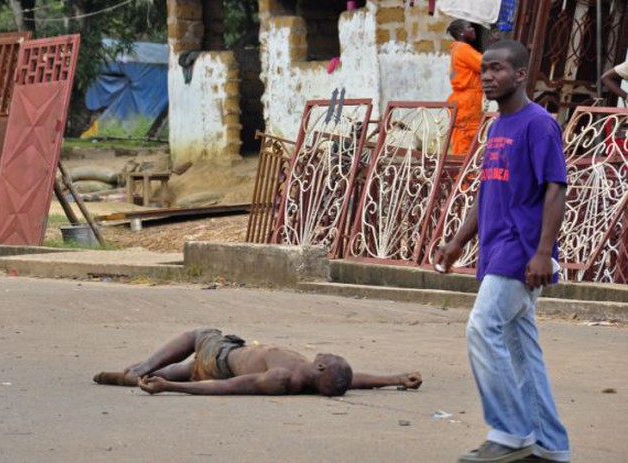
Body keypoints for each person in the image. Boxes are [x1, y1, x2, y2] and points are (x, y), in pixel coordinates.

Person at [433, 40, 571, 463]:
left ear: (520, 75)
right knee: (521, 350)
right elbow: (488, 188)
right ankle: (550, 445)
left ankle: (511, 432)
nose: (488, 77)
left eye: (497, 70)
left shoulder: (538, 124)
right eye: (485, 70)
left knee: (482, 327)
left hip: (522, 253)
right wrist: (458, 241)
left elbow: (556, 188)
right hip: (497, 250)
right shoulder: (497, 127)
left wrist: (544, 252)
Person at [93, 328, 422, 396]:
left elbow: (228, 386)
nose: (329, 353)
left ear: (322, 368)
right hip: (215, 363)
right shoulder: (312, 376)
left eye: (333, 358)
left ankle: (141, 369)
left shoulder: (281, 378)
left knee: (199, 333)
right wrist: (395, 378)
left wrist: (171, 388)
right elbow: (353, 380)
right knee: (174, 371)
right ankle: (125, 377)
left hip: (219, 357)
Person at [446, 19, 484, 157]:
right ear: (461, 32)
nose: (473, 29)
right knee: (466, 142)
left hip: (464, 100)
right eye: (470, 27)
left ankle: (463, 176)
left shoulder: (458, 48)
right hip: (467, 101)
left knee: (465, 142)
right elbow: (483, 64)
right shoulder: (463, 49)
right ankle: (464, 177)